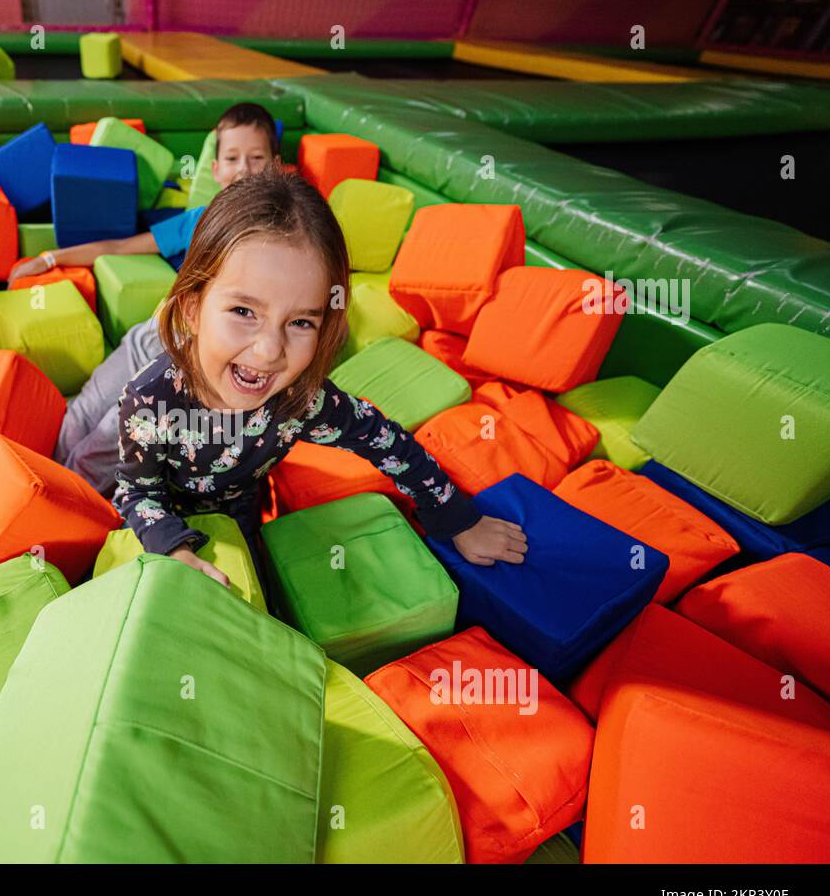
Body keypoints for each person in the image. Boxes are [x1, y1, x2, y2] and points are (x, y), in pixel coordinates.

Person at [112, 167, 528, 590]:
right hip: (166, 517)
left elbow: (385, 440)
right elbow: (135, 492)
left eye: (300, 323)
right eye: (243, 312)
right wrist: (174, 548)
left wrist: (456, 517)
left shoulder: (300, 398)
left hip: (242, 512)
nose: (269, 350)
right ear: (193, 309)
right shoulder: (150, 400)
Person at [40, 102, 284, 495]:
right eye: (233, 158)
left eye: (256, 158)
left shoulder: (279, 239)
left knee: (100, 447)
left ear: (275, 165)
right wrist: (49, 257)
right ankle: (28, 499)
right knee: (75, 421)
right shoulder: (200, 220)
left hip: (179, 361)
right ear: (216, 168)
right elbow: (120, 247)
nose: (243, 169)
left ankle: (58, 513)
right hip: (147, 338)